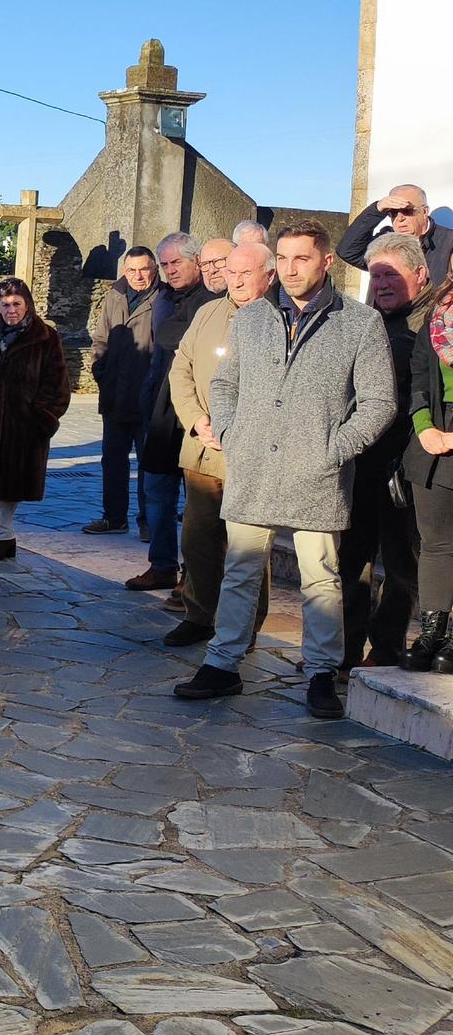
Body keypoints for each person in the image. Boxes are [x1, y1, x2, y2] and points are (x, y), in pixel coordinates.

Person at [176, 222, 395, 718]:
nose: (290, 269)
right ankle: (222, 662)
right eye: (284, 258)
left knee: (321, 577)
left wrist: (334, 449)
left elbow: (379, 402)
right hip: (253, 464)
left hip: (316, 471)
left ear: (326, 262)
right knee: (240, 570)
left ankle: (320, 673)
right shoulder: (251, 319)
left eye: (301, 258)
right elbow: (226, 384)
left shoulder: (359, 324)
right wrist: (231, 434)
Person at [164, 242, 276, 648]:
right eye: (232, 272)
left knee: (246, 549)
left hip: (251, 455)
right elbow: (181, 370)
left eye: (247, 273)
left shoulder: (281, 320)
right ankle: (199, 615)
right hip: (204, 449)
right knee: (198, 540)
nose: (238, 281)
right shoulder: (208, 313)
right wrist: (196, 420)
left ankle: (243, 627)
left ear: (269, 274)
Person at [340, 232, 437, 667]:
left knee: (401, 566)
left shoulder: (436, 322)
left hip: (409, 466)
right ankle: (341, 649)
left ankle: (386, 646)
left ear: (420, 275)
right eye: (376, 275)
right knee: (350, 561)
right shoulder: (363, 322)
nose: (381, 284)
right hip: (360, 463)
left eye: (391, 275)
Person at [0, 277, 68, 561]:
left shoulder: (45, 337)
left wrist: (42, 416)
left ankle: (4, 536)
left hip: (25, 425)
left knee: (10, 483)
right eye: (5, 304)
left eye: (17, 304)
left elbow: (57, 383)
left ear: (27, 304)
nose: (11, 310)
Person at [128, 234, 211, 592]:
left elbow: (168, 336)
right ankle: (161, 565)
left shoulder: (210, 300)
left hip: (196, 412)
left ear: (196, 261)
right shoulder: (163, 298)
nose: (169, 270)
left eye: (176, 262)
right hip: (162, 410)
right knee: (157, 491)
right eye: (165, 264)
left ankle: (192, 577)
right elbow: (161, 345)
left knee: (196, 501)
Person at [84, 245, 161, 536]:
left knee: (147, 464)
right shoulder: (114, 296)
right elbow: (101, 338)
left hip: (147, 396)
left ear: (154, 270)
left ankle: (147, 522)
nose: (138, 276)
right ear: (124, 270)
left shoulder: (163, 298)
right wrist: (100, 372)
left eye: (144, 269)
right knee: (112, 460)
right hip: (115, 393)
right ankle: (113, 518)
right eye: (132, 270)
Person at [402, 269, 453, 671]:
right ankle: (433, 630)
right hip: (433, 436)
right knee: (435, 543)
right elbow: (418, 376)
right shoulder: (436, 319)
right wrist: (425, 428)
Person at [340, 182, 449, 288]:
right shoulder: (384, 242)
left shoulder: (448, 242)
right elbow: (348, 251)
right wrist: (376, 210)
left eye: (407, 211)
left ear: (424, 212)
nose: (400, 218)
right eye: (393, 212)